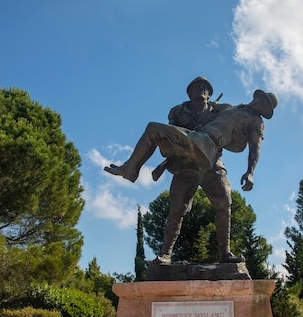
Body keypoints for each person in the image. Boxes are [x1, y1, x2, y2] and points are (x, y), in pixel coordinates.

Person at [104, 77, 277, 265]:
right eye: (259, 98)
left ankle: (225, 254)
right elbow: (206, 107)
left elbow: (255, 148)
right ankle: (166, 255)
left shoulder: (256, 122)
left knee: (225, 203)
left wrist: (250, 172)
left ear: (264, 110)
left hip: (208, 153)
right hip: (191, 155)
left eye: (264, 104)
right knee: (176, 208)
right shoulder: (228, 107)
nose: (259, 103)